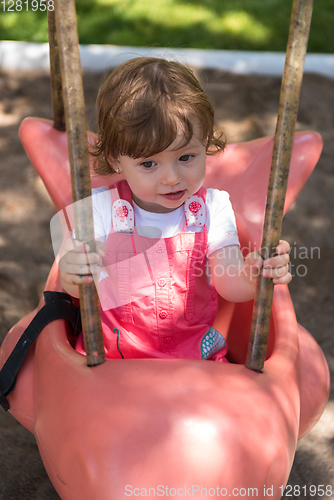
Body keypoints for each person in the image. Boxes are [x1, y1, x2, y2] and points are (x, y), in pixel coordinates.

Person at [59, 56, 291, 362]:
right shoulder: (100, 210)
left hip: (193, 358)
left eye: (186, 158)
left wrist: (253, 274)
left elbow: (228, 281)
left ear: (204, 143)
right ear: (116, 159)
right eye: (149, 163)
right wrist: (73, 272)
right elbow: (75, 292)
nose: (171, 178)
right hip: (114, 360)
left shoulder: (212, 207)